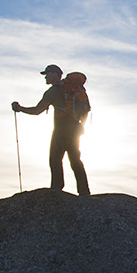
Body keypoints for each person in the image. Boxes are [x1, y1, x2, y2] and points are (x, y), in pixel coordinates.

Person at [11, 64, 90, 196]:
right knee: (75, 160)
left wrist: (20, 109)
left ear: (55, 74)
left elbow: (37, 110)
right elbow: (86, 109)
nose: (45, 77)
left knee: (55, 159)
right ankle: (84, 191)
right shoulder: (74, 90)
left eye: (47, 74)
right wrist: (82, 126)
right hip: (75, 129)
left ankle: (56, 190)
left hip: (61, 129)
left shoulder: (54, 91)